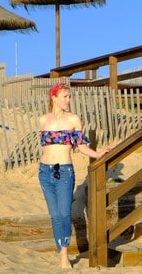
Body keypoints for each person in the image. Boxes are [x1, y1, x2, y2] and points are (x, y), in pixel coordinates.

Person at [38, 82, 112, 269]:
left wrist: (97, 154)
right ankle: (62, 254)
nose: (68, 100)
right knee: (54, 216)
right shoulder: (42, 120)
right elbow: (46, 147)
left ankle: (64, 256)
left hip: (64, 172)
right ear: (53, 97)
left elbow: (80, 146)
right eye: (65, 96)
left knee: (64, 214)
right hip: (45, 172)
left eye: (70, 96)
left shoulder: (73, 120)